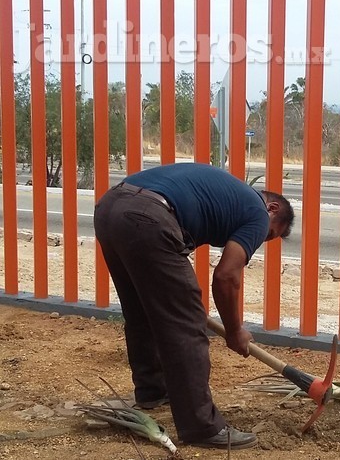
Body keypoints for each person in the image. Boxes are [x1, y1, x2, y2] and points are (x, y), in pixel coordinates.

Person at [93, 162, 294, 450]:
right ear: (272, 209)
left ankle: (152, 390)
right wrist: (235, 331)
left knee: (141, 312)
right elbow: (226, 276)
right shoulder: (257, 213)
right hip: (148, 216)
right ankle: (202, 427)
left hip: (110, 208)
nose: (262, 239)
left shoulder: (226, 196)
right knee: (186, 324)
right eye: (270, 235)